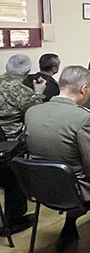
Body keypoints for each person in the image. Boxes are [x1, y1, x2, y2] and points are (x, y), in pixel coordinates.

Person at [25, 65, 90, 252]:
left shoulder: (32, 112)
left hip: (40, 188)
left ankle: (69, 225)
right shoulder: (84, 118)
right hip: (77, 192)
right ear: (84, 89)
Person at [0, 54, 46, 236]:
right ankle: (15, 219)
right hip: (12, 142)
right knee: (16, 178)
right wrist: (39, 93)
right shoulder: (22, 92)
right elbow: (35, 114)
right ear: (27, 72)